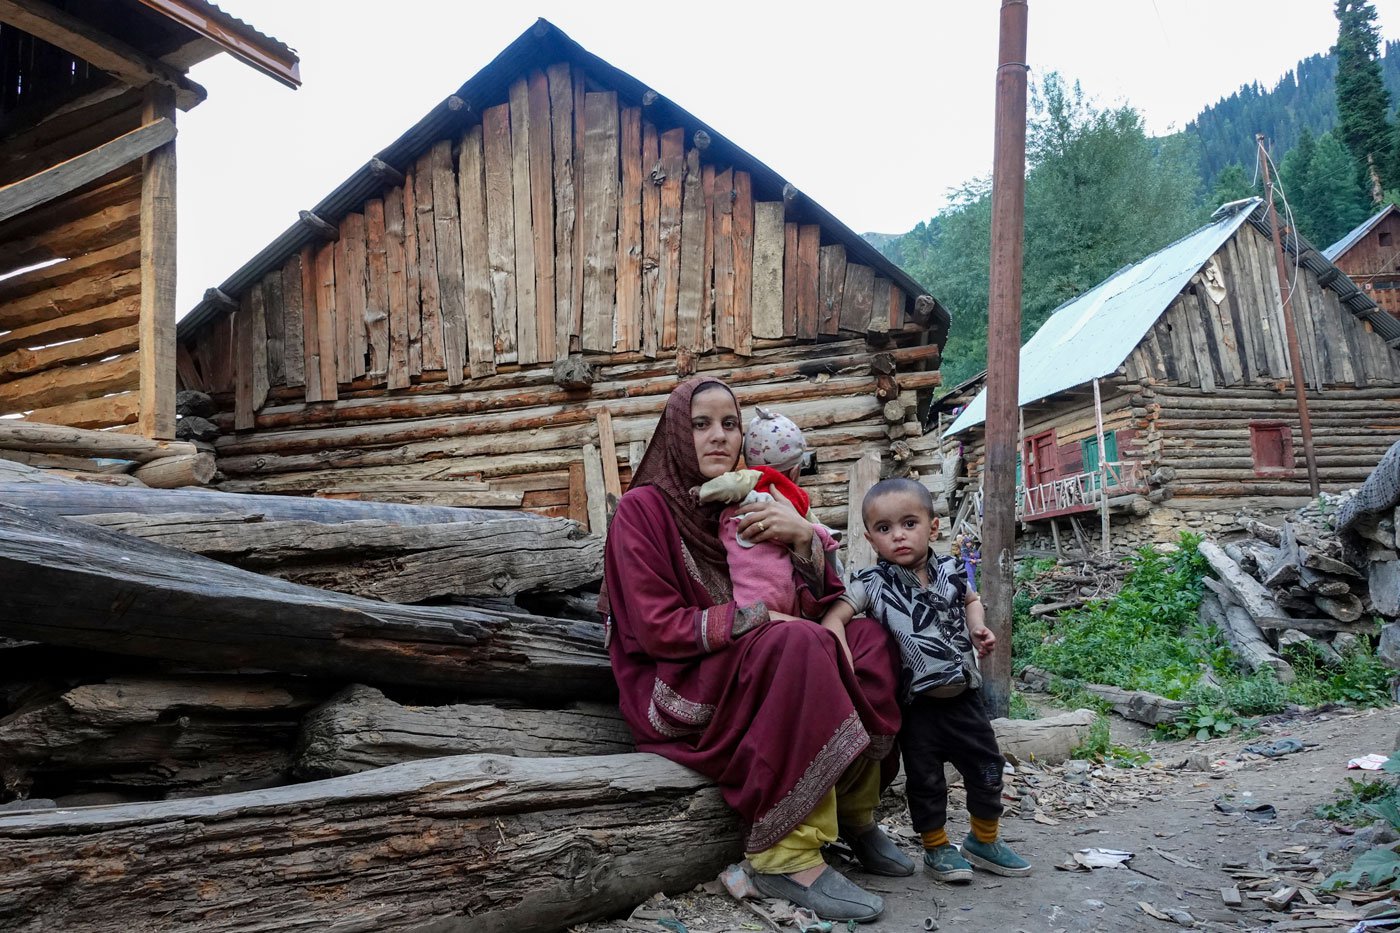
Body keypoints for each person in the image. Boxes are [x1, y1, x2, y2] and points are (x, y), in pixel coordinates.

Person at [601, 376, 912, 922]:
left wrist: (800, 538)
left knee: (868, 641)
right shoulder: (642, 512)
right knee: (800, 641)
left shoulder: (756, 500)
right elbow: (655, 628)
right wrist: (758, 617)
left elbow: (823, 596)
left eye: (729, 423)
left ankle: (856, 816)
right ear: (676, 433)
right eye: (700, 424)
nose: (718, 437)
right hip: (682, 682)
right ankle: (784, 855)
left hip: (753, 661)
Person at [819, 477, 1032, 883]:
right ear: (870, 537)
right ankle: (936, 849)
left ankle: (984, 840)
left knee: (987, 766)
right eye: (884, 529)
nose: (898, 535)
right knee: (925, 779)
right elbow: (835, 618)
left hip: (964, 696)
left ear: (933, 527)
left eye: (909, 523)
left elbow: (970, 599)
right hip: (916, 706)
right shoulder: (870, 583)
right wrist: (841, 650)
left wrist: (978, 628)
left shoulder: (951, 569)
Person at [697, 406, 840, 618]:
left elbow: (730, 485)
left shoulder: (753, 478)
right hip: (789, 595)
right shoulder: (799, 498)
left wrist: (702, 492)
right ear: (795, 471)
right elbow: (817, 528)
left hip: (751, 595)